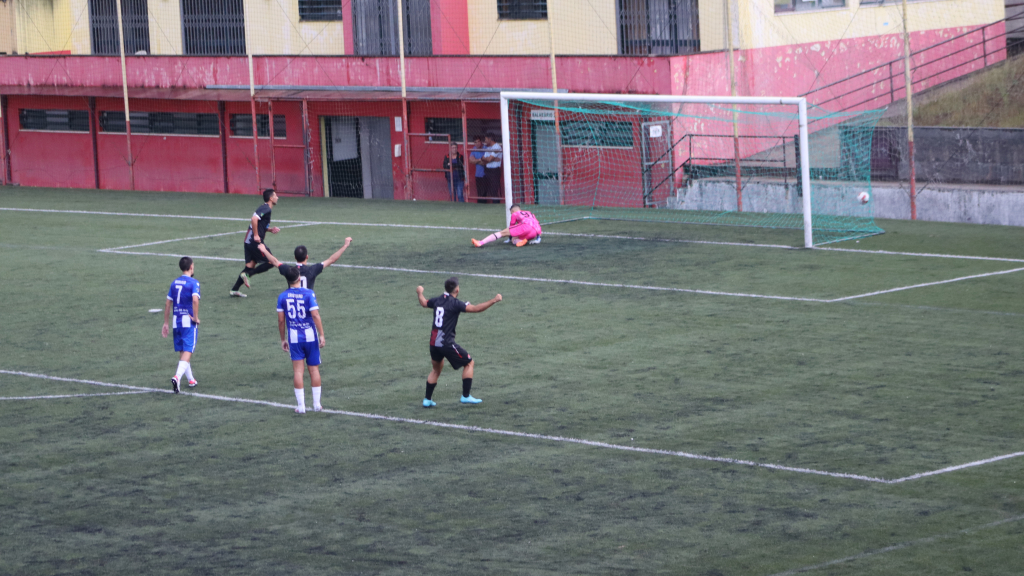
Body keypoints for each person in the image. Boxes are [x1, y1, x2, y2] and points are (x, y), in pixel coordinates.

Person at [416, 277, 502, 407]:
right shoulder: (455, 303)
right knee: (469, 363)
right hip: (446, 343)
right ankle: (466, 396)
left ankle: (427, 400)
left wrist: (419, 292)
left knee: (436, 370)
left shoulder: (437, 300)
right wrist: (494, 300)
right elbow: (477, 309)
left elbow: (423, 302)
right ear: (457, 289)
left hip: (434, 343)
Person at [277, 266, 326, 414]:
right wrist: (322, 334)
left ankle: (301, 406)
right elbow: (315, 315)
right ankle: (317, 404)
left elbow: (281, 320)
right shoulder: (309, 293)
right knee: (314, 369)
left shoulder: (282, 296)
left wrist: (282, 339)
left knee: (298, 371)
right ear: (299, 278)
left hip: (294, 337)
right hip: (310, 336)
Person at [229, 188, 280, 297]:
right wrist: (256, 235)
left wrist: (270, 229)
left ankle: (234, 289)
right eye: (275, 195)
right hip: (254, 241)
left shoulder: (264, 208)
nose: (277, 197)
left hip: (248, 241)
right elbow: (254, 219)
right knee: (271, 262)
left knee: (250, 265)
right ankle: (248, 274)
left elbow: (259, 224)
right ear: (271, 198)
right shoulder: (266, 208)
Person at [162, 256, 200, 393]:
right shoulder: (194, 283)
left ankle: (190, 379)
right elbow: (195, 301)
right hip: (187, 320)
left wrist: (165, 323)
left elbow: (167, 304)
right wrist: (195, 318)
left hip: (175, 321)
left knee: (183, 351)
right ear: (191, 267)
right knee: (188, 350)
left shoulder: (174, 283)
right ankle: (177, 377)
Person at [258, 237, 353, 290]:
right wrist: (345, 245)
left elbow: (274, 261)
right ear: (307, 256)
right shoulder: (312, 270)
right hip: (307, 304)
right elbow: (332, 259)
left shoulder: (289, 270)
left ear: (295, 258)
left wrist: (264, 250)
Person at [472, 203, 543, 248]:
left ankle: (480, 243)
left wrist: (508, 238)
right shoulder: (529, 212)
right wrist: (538, 239)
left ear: (512, 211)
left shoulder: (515, 214)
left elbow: (511, 227)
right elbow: (537, 223)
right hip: (535, 232)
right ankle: (521, 241)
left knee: (502, 233)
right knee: (514, 239)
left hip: (526, 227)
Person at [482, 132, 503, 204]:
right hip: (487, 170)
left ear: (490, 139)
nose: (485, 141)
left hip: (494, 171)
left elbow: (488, 159)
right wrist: (491, 159)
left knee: (494, 189)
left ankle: (496, 204)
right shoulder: (488, 148)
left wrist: (489, 159)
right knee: (488, 189)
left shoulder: (497, 147)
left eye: (486, 139)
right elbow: (484, 159)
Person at [467, 136, 487, 203]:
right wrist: (479, 160)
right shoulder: (474, 149)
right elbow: (470, 161)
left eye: (478, 141)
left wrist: (476, 160)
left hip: (486, 174)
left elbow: (484, 162)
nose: (477, 143)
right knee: (479, 192)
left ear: (481, 141)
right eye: (475, 142)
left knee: (485, 192)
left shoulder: (486, 148)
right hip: (478, 174)